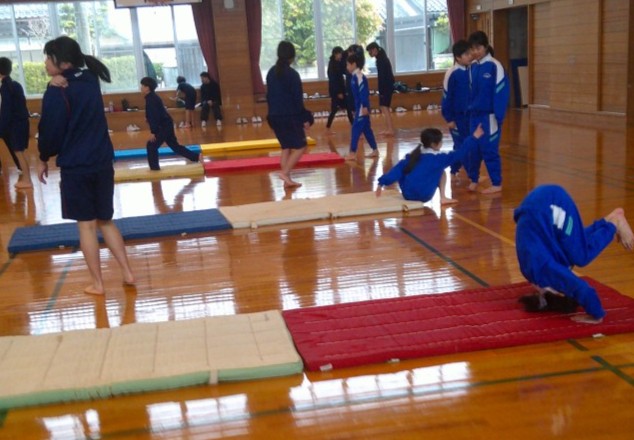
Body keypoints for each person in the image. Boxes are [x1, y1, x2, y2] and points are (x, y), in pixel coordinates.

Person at [37, 35, 135, 295]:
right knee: (106, 221)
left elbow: (50, 132)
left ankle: (98, 284)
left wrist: (43, 157)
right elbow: (78, 79)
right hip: (102, 161)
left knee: (86, 226)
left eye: (48, 58)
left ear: (63, 63)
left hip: (77, 166)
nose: (45, 63)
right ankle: (128, 272)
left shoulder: (57, 91)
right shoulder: (91, 79)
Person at [514, 184, 634, 324]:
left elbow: (583, 290)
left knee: (581, 256)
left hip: (553, 204)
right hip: (536, 204)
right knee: (572, 249)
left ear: (558, 292)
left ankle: (614, 223)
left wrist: (596, 315)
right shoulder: (531, 272)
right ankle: (608, 221)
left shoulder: (545, 271)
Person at [376, 124, 483, 204]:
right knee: (440, 170)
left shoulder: (411, 156)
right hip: (425, 196)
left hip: (408, 195)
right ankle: (443, 198)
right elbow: (461, 152)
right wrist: (474, 137)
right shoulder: (440, 158)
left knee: (404, 170)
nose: (442, 143)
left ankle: (439, 196)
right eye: (441, 141)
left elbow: (395, 171)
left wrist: (381, 183)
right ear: (434, 144)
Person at [466, 30, 509, 194]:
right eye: (473, 49)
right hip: (474, 116)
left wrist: (498, 116)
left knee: (489, 149)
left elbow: (501, 92)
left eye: (478, 48)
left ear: (485, 47)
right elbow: (470, 93)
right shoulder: (472, 67)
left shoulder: (495, 66)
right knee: (473, 149)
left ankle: (496, 183)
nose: (475, 52)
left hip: (489, 116)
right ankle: (474, 179)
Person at [266, 41, 312, 188]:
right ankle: (285, 173)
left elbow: (269, 96)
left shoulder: (271, 72)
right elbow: (297, 100)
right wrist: (305, 118)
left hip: (274, 116)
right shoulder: (292, 75)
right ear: (292, 56)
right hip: (288, 116)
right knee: (301, 146)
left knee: (286, 147)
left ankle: (287, 181)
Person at [140, 76, 201, 171]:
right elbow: (154, 113)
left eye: (142, 86)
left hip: (163, 126)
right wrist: (148, 118)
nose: (141, 88)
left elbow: (155, 116)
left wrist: (153, 132)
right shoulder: (151, 97)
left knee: (151, 146)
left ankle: (154, 169)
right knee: (174, 146)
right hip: (166, 124)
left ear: (147, 88)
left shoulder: (151, 98)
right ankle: (196, 157)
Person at [441, 40, 472, 182]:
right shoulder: (452, 73)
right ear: (458, 57)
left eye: (470, 53)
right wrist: (449, 119)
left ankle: (454, 170)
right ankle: (473, 175)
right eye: (466, 54)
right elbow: (446, 98)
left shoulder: (471, 70)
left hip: (469, 117)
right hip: (457, 118)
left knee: (462, 145)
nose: (470, 56)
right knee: (463, 146)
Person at [0, 57, 32, 189]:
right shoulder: (15, 85)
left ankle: (27, 180)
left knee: (18, 152)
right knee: (20, 152)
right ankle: (27, 178)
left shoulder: (6, 87)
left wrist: (2, 128)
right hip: (21, 123)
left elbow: (6, 110)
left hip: (14, 125)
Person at [345, 52, 379, 161]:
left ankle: (352, 152)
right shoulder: (353, 77)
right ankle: (375, 150)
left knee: (355, 129)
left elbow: (363, 92)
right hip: (359, 107)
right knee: (366, 129)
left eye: (348, 64)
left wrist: (364, 106)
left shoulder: (359, 77)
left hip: (362, 108)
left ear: (354, 64)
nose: (347, 67)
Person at [366, 42, 395, 136]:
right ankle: (388, 129)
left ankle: (390, 129)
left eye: (370, 51)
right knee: (384, 107)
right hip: (387, 86)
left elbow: (383, 77)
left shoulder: (381, 60)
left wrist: (381, 90)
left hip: (386, 87)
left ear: (375, 49)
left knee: (385, 108)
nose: (370, 53)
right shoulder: (381, 58)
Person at [326, 47, 351, 132]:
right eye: (339, 53)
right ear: (335, 54)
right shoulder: (332, 64)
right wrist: (338, 92)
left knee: (348, 108)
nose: (341, 55)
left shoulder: (338, 62)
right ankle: (327, 128)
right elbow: (333, 80)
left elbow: (344, 70)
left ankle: (354, 125)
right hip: (336, 90)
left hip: (341, 88)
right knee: (334, 109)